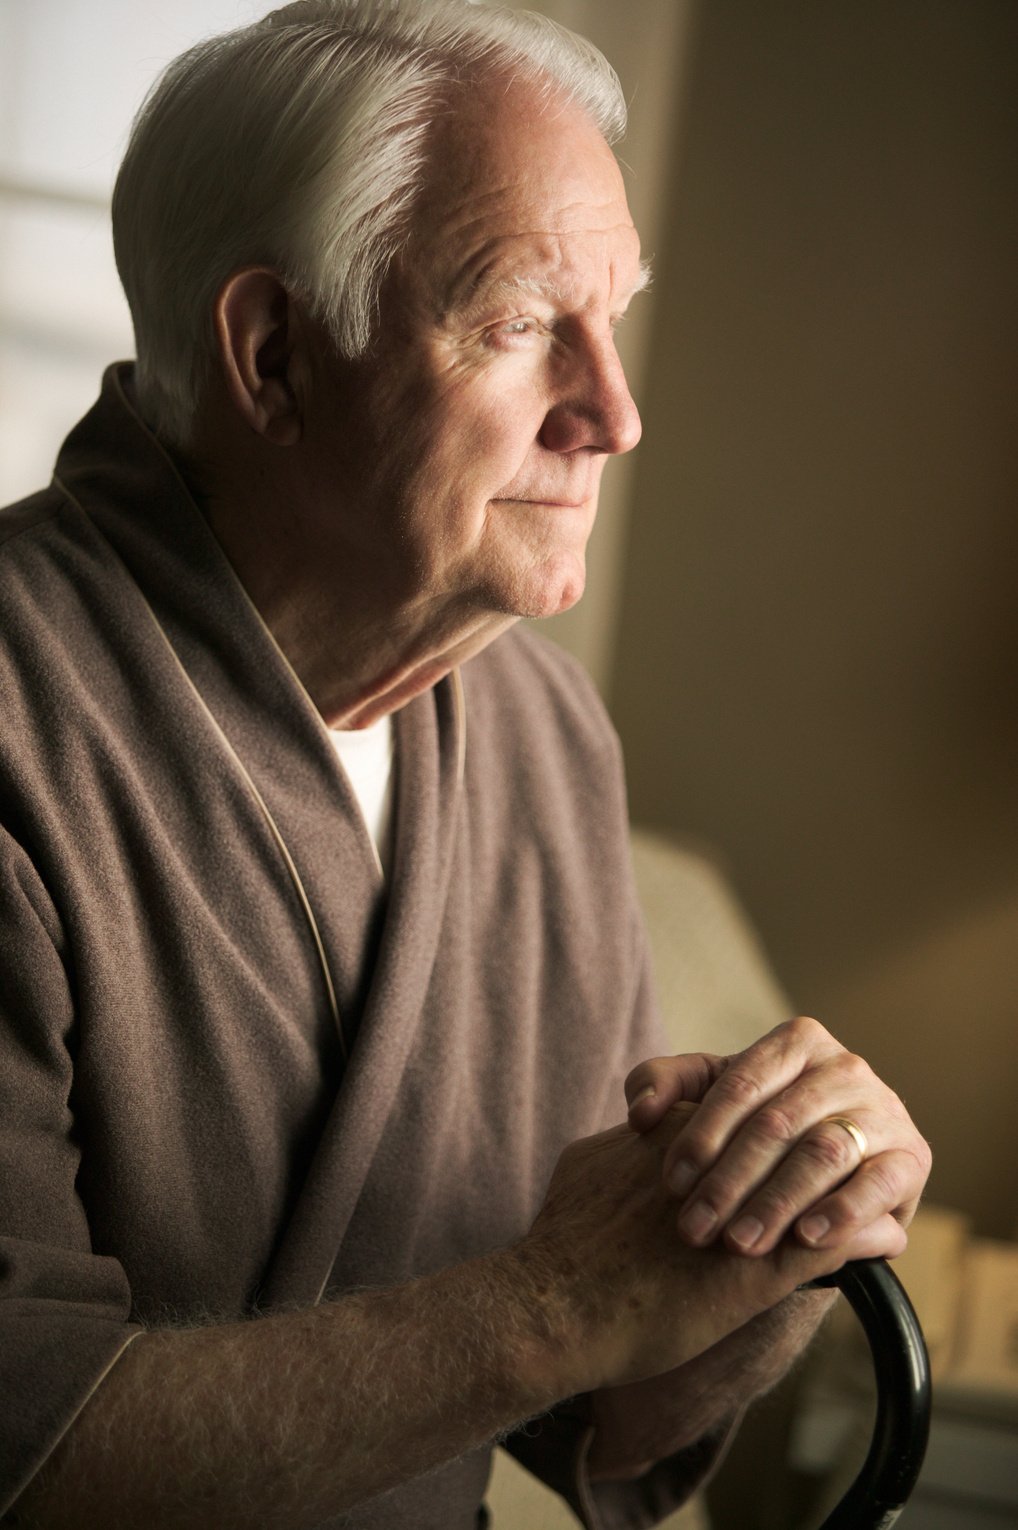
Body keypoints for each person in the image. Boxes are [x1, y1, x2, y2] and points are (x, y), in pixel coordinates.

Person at [0, 3, 930, 1527]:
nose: (613, 415)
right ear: (275, 354)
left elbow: (594, 1423)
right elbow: (21, 1447)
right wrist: (556, 1301)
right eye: (516, 321)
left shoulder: (543, 742)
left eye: (613, 318)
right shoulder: (21, 719)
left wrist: (770, 1254)